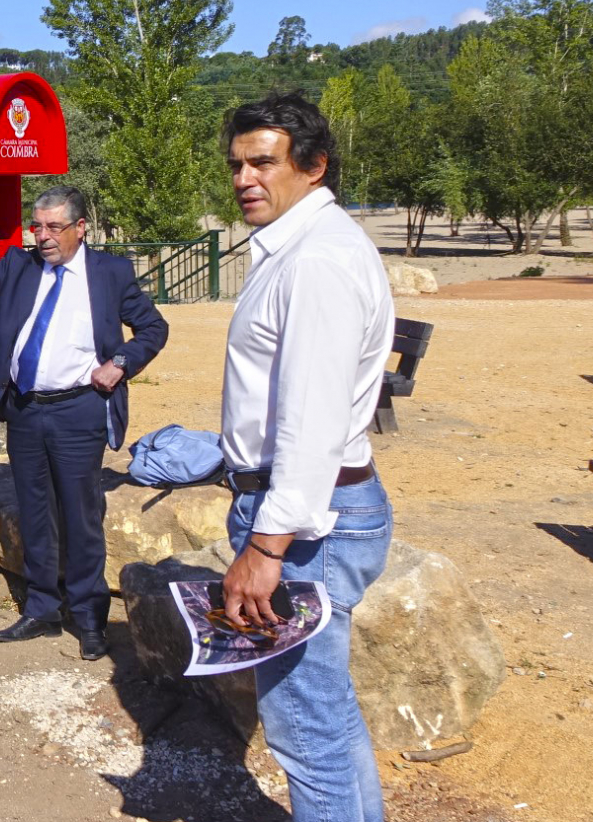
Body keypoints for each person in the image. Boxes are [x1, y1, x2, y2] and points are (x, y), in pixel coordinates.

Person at [217, 91, 395, 822]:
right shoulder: (299, 247)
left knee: (305, 727)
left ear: (315, 167)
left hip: (305, 528)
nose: (244, 179)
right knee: (324, 717)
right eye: (236, 164)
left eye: (264, 162)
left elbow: (314, 423)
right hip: (306, 509)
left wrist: (267, 544)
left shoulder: (316, 261)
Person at [0, 186, 167, 660]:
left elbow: (153, 328)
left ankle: (91, 617)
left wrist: (121, 362)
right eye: (37, 226)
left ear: (81, 227)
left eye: (54, 227)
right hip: (26, 411)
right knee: (35, 512)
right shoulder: (21, 265)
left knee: (81, 516)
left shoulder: (110, 273)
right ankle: (42, 610)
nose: (43, 236)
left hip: (80, 410)